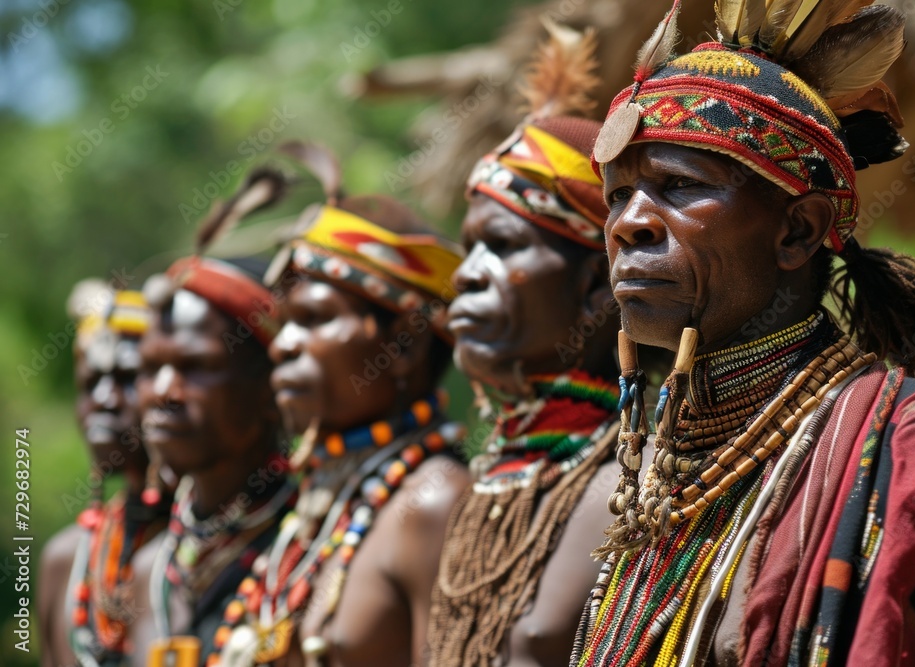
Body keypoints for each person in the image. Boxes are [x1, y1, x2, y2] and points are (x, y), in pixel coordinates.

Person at [572, 2, 915, 666]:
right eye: (618, 195)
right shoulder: (662, 474)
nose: (629, 224)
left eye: (678, 187)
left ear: (798, 229)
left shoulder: (913, 456)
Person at [212, 141, 470, 667]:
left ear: (404, 346)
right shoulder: (313, 511)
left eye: (313, 320)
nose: (282, 345)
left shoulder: (432, 503)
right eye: (285, 325)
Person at [426, 24, 625, 667]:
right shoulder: (492, 480)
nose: (466, 273)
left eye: (504, 246)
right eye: (470, 247)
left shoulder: (639, 489)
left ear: (597, 282)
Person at [128, 254, 295, 666]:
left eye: (196, 366)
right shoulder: (151, 572)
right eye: (150, 368)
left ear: (271, 388)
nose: (163, 391)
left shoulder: (307, 554)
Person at [40, 284, 168, 667]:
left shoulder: (210, 547)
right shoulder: (65, 560)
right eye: (90, 383)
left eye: (127, 378)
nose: (104, 399)